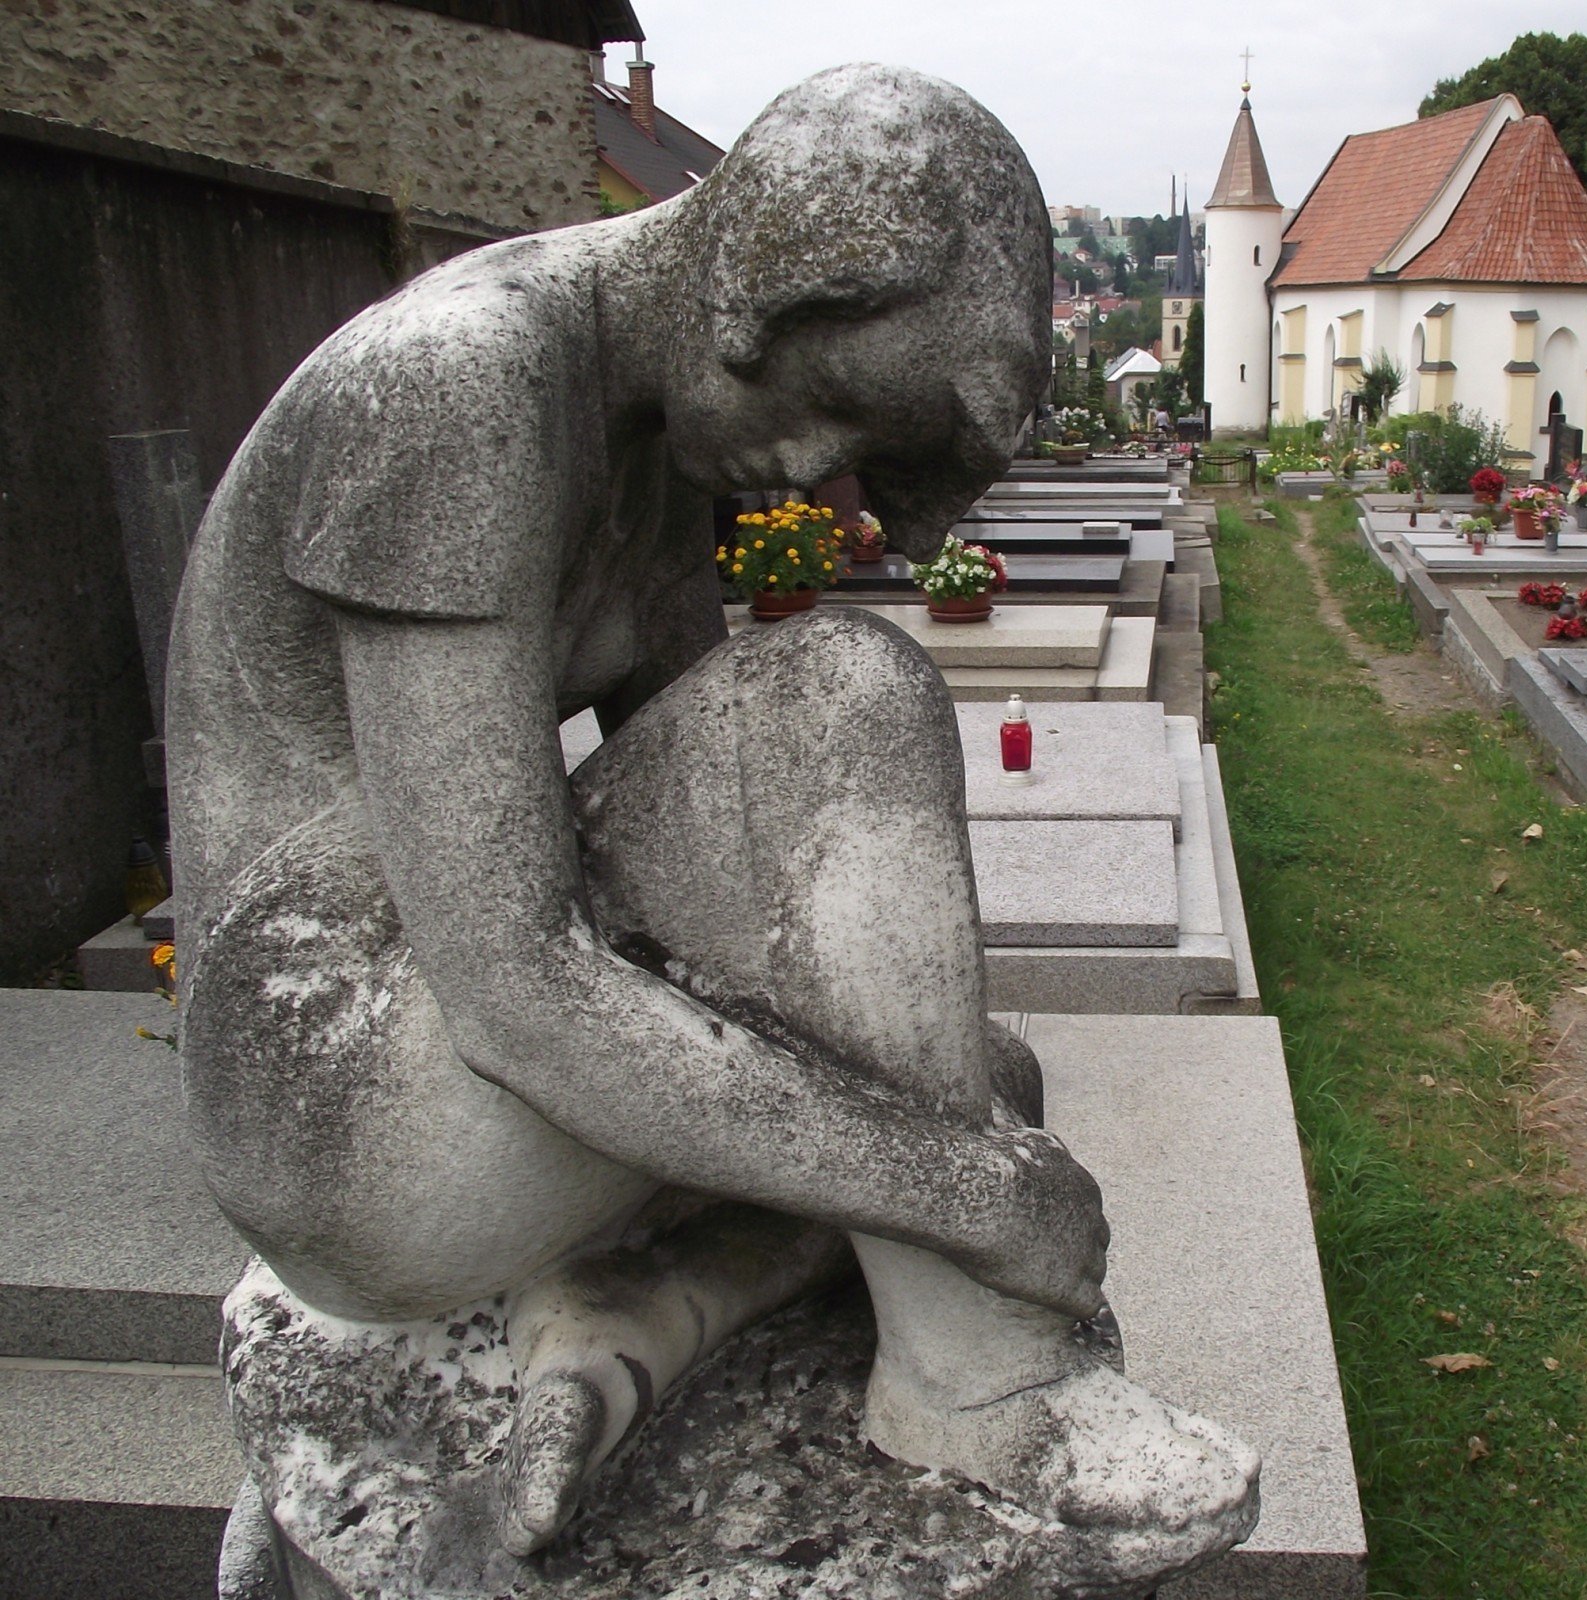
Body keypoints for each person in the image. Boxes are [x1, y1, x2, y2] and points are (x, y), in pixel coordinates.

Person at [169, 63, 1255, 1589]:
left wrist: (930, 1123)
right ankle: (982, 1382)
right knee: (854, 695)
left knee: (962, 1071)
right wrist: (965, 1196)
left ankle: (637, 1317)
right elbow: (517, 988)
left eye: (856, 448)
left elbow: (745, 875)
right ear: (758, 293)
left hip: (441, 1053)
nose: (815, 472)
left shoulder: (651, 418)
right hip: (334, 1105)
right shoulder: (459, 393)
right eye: (824, 409)